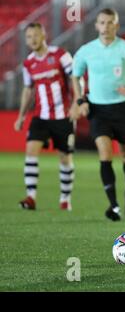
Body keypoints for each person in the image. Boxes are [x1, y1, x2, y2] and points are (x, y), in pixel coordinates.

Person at [71, 8, 125, 221]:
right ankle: (113, 205)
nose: (105, 26)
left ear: (116, 25)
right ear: (96, 25)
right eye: (102, 22)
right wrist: (80, 100)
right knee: (105, 155)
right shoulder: (86, 51)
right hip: (98, 110)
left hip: (122, 108)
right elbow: (76, 76)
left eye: (110, 22)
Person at [14, 22, 75, 211]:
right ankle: (31, 197)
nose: (32, 39)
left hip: (62, 116)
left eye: (35, 35)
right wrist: (21, 116)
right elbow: (28, 89)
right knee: (31, 152)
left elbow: (75, 79)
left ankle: (65, 198)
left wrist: (76, 103)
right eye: (29, 37)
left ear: (43, 35)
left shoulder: (60, 55)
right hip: (40, 116)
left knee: (65, 158)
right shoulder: (28, 63)